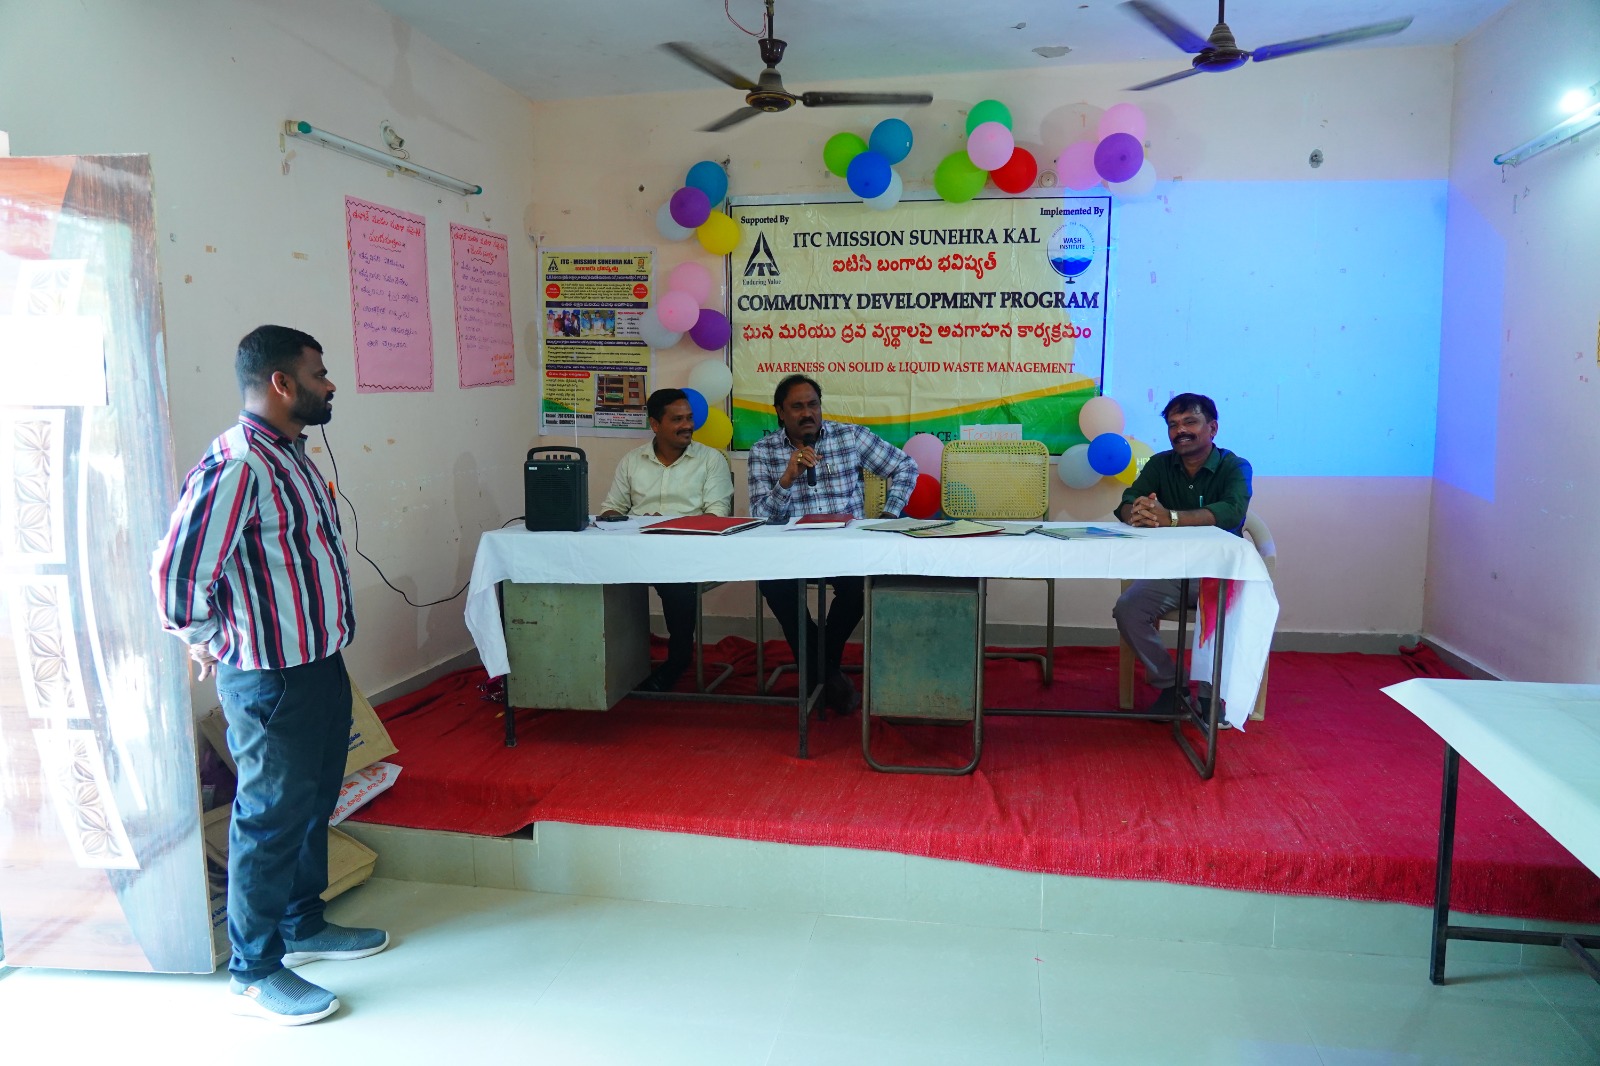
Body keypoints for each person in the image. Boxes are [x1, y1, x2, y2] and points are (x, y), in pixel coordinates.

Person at [152, 325, 385, 1026]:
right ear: (282, 383)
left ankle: (301, 923)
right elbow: (179, 572)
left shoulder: (290, 455)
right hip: (270, 675)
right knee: (270, 816)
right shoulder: (239, 463)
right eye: (319, 373)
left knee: (313, 800)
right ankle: (253, 971)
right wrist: (205, 638)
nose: (330, 384)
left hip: (318, 662)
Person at [746, 374, 918, 713]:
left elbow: (905, 466)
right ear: (780, 412)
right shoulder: (763, 451)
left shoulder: (849, 437)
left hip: (845, 548)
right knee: (773, 585)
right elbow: (761, 516)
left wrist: (888, 514)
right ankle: (828, 675)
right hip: (790, 551)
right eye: (797, 407)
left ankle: (818, 671)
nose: (807, 413)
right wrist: (787, 479)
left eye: (813, 404)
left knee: (859, 587)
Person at [1112, 392, 1253, 715]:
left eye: (1190, 422)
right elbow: (1127, 501)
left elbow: (1232, 512)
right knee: (1128, 609)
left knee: (1222, 617)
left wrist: (1172, 518)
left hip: (1218, 572)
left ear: (1212, 428)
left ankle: (1211, 695)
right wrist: (1137, 513)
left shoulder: (1235, 466)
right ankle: (1172, 686)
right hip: (1172, 570)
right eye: (1173, 425)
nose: (1181, 431)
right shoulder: (1160, 464)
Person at [599, 387, 735, 691]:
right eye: (677, 419)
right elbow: (610, 508)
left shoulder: (711, 460)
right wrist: (626, 521)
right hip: (636, 547)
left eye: (689, 418)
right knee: (596, 573)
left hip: (687, 549)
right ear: (655, 424)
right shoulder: (632, 460)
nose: (687, 425)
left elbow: (716, 515)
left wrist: (666, 524)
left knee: (676, 580)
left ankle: (678, 659)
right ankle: (614, 661)